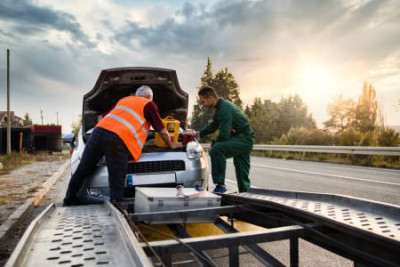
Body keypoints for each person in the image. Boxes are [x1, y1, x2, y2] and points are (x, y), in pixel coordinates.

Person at [63, 85, 182, 205]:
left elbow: (101, 118)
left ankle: (68, 201)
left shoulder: (123, 101)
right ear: (149, 97)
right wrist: (170, 144)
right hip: (117, 139)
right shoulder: (148, 104)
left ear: (137, 95)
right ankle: (117, 208)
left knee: (83, 169)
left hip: (97, 133)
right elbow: (161, 129)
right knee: (116, 178)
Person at [198, 86, 255, 193]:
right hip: (245, 137)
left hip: (243, 138)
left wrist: (214, 144)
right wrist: (198, 134)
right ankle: (245, 193)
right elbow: (214, 125)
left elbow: (224, 134)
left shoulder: (224, 108)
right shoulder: (221, 107)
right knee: (242, 170)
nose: (203, 105)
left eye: (203, 101)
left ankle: (220, 186)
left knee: (217, 149)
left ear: (210, 98)